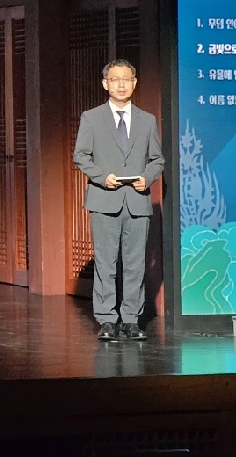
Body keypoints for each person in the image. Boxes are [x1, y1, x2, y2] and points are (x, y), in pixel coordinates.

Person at [72, 59, 164, 341]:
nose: (121, 85)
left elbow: (157, 159)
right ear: (105, 84)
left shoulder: (147, 120)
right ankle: (107, 319)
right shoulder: (91, 118)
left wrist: (147, 178)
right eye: (115, 79)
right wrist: (102, 177)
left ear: (134, 83)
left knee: (135, 264)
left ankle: (131, 319)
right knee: (106, 263)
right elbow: (80, 156)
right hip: (104, 200)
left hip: (137, 201)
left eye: (126, 79)